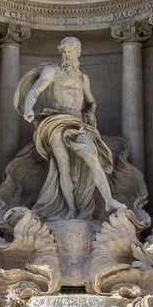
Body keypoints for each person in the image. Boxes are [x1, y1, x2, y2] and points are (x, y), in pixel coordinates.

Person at [14, 37, 126, 221]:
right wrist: (28, 108)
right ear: (62, 52)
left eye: (73, 51)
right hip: (55, 121)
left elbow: (91, 101)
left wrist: (89, 116)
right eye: (66, 51)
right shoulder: (52, 71)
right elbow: (35, 90)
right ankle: (70, 209)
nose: (69, 54)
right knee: (63, 166)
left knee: (92, 157)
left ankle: (108, 200)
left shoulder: (83, 78)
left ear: (78, 53)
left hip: (78, 124)